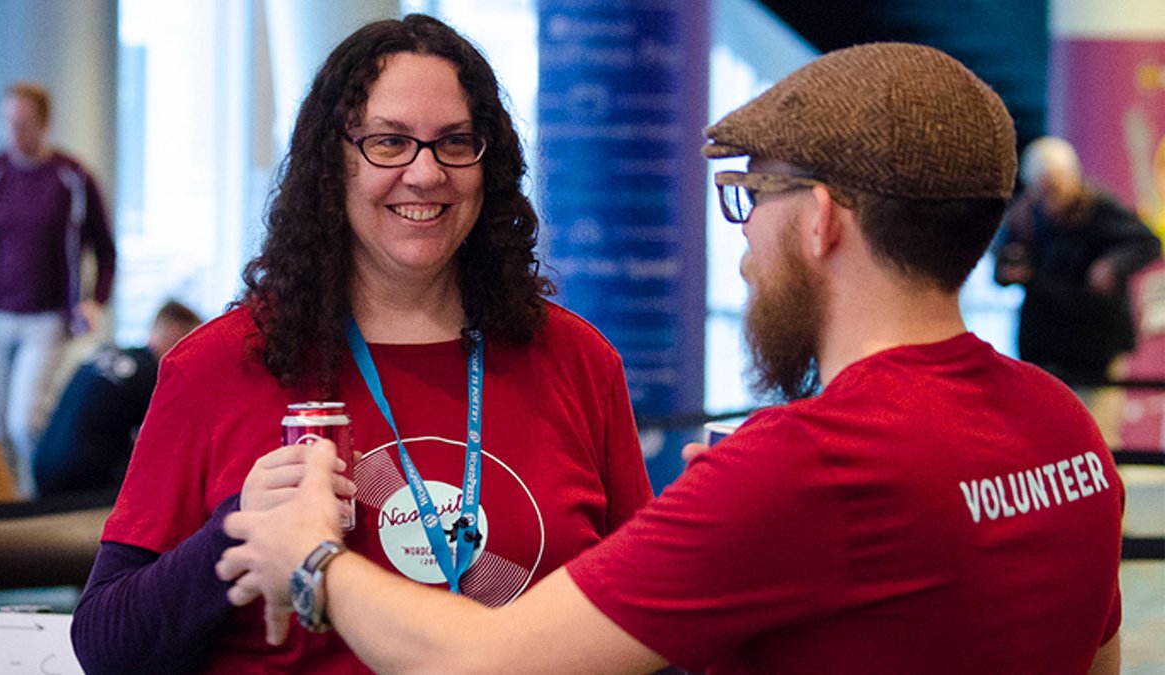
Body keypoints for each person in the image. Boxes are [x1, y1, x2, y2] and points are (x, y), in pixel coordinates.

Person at [216, 43, 1125, 674]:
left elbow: (481, 658)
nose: (742, 246)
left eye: (751, 195)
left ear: (819, 220)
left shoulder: (808, 462)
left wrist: (312, 562)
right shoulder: (1063, 424)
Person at [70, 14, 652, 674]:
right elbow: (105, 646)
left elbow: (650, 623)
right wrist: (239, 528)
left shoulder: (578, 362)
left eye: (455, 142)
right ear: (333, 161)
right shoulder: (217, 366)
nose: (426, 173)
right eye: (389, 142)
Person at [0, 81, 117, 500]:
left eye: (24, 123)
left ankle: (38, 505)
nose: (15, 132)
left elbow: (105, 249)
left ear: (44, 124)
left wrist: (94, 300)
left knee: (24, 420)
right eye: (8, 123)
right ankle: (1, 513)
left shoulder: (71, 177)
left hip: (46, 319)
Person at [992, 136, 1161, 387]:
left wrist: (1112, 265)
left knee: (1095, 422)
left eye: (1055, 188)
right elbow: (1001, 267)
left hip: (1096, 343)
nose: (1050, 201)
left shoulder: (1099, 208)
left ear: (1072, 179)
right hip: (1045, 344)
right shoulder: (1024, 215)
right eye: (1043, 191)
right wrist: (1010, 271)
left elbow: (1148, 243)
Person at [33, 300, 202, 498]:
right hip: (83, 486)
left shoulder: (104, 353)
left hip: (41, 470)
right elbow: (171, 445)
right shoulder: (152, 376)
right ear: (175, 334)